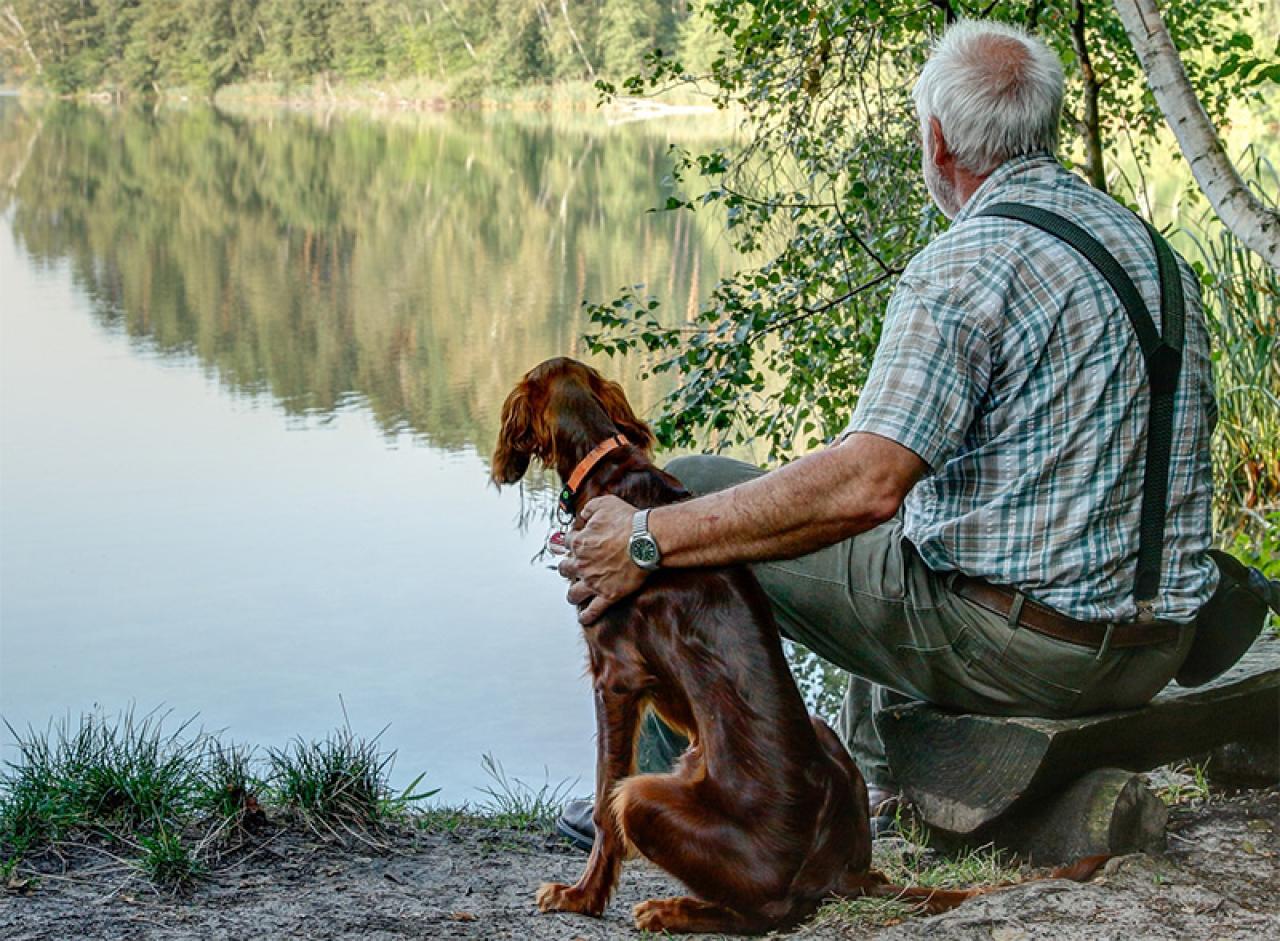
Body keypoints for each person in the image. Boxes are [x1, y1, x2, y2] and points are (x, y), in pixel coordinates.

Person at [554, 18, 1217, 845]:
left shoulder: (967, 262)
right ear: (1040, 130)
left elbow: (865, 486)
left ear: (938, 144)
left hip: (1036, 655)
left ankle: (670, 801)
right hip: (1153, 648)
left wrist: (648, 536)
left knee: (684, 489)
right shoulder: (1156, 256)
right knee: (905, 528)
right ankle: (870, 783)